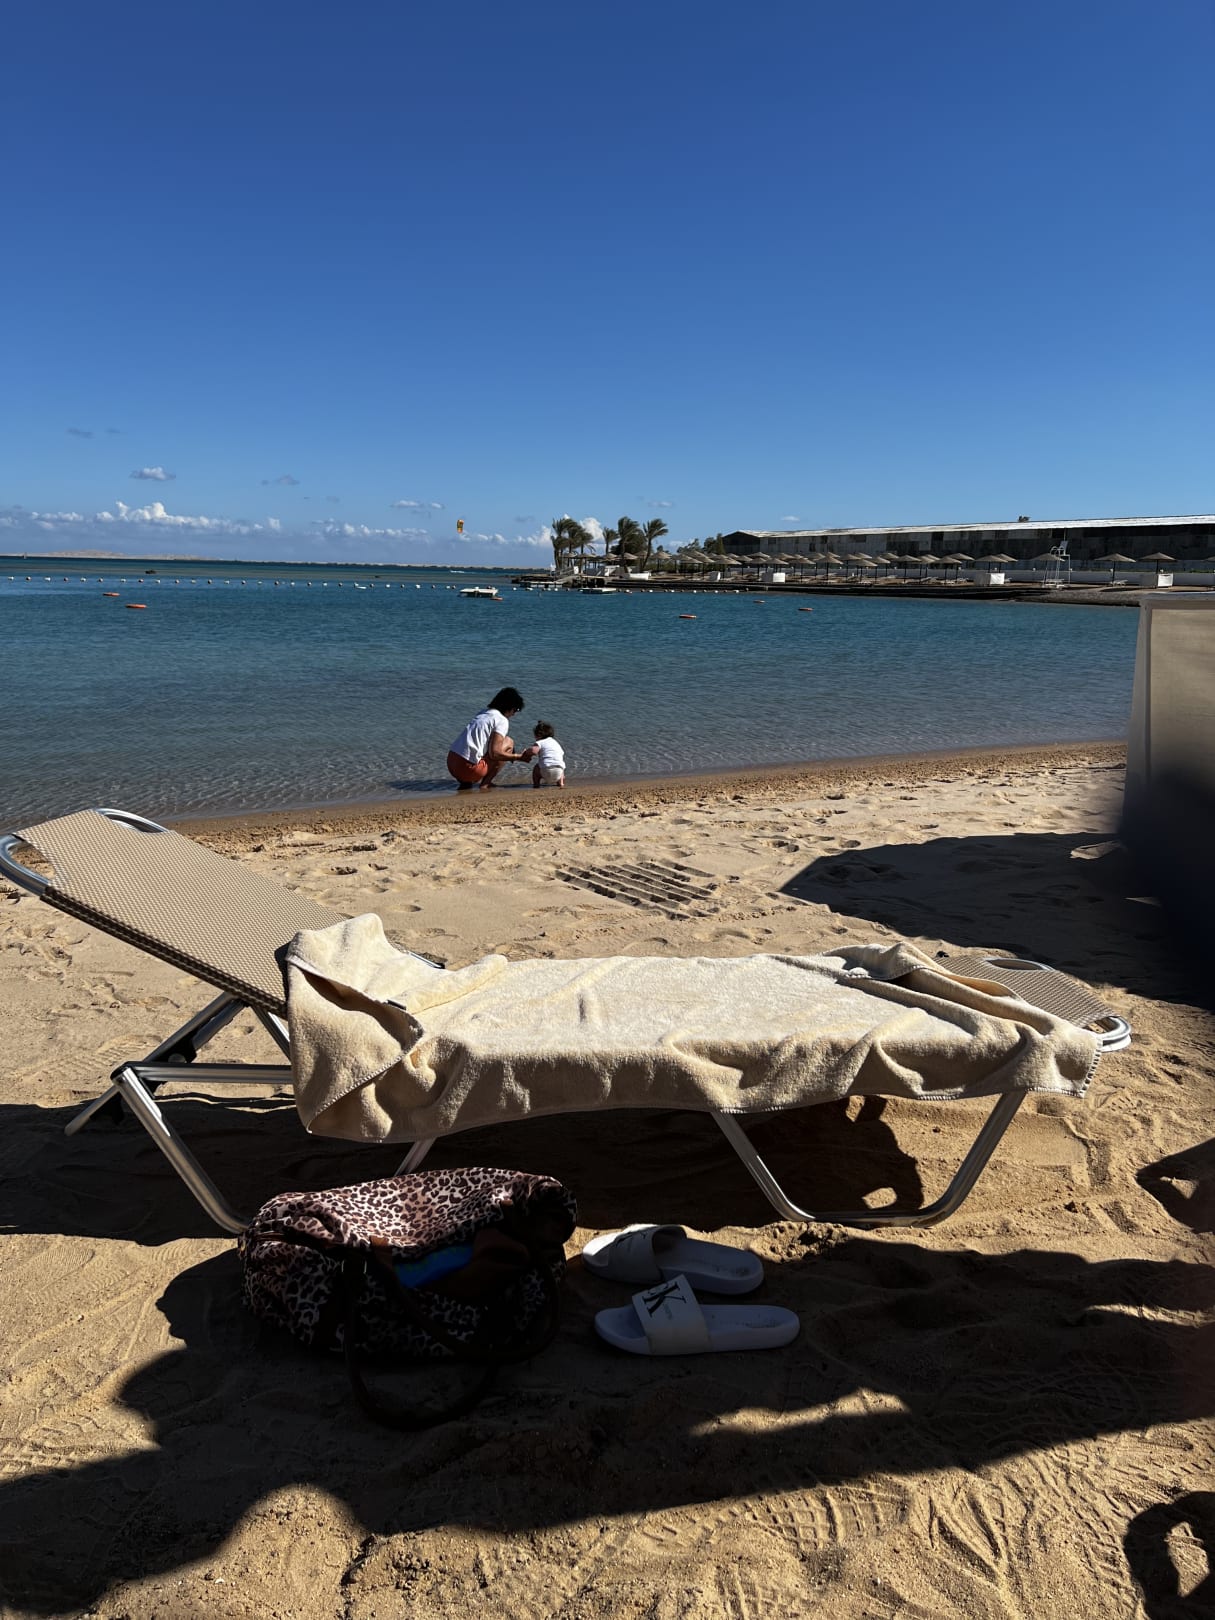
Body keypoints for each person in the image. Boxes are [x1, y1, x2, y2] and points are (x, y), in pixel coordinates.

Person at [446, 687, 537, 789]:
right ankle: (486, 783)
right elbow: (495, 753)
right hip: (467, 769)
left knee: (484, 748)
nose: (514, 714)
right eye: (516, 709)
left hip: (451, 763)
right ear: (509, 707)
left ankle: (466, 783)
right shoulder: (501, 720)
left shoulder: (483, 713)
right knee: (509, 742)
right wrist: (518, 757)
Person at [531, 721, 566, 788]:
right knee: (560, 764)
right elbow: (562, 753)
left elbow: (533, 751)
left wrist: (526, 752)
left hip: (545, 770)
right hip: (558, 773)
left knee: (536, 768)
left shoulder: (540, 742)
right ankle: (561, 783)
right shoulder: (555, 743)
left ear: (538, 735)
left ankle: (536, 785)